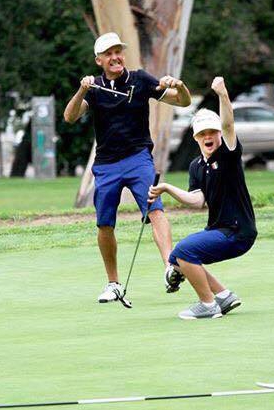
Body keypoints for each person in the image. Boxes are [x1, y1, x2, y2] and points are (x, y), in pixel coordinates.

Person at [63, 32, 192, 303]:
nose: (115, 57)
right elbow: (70, 117)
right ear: (99, 60)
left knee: (154, 208)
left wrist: (179, 86)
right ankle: (113, 284)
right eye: (108, 54)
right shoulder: (95, 87)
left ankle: (170, 266)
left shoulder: (141, 80)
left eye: (118, 52)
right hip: (107, 165)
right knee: (105, 223)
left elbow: (182, 102)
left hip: (138, 158)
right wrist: (82, 90)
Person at [148, 76, 257, 319]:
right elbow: (198, 201)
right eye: (202, 133)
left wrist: (222, 94)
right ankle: (223, 296)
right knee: (177, 257)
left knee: (185, 251)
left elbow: (229, 126)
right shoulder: (196, 166)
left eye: (212, 132)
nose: (208, 137)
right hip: (219, 229)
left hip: (238, 231)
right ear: (196, 137)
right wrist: (166, 188)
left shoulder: (227, 154)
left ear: (218, 134)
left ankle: (208, 305)